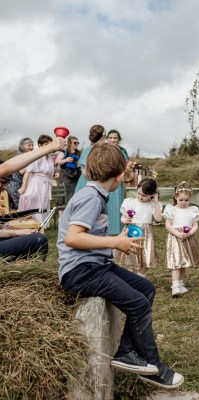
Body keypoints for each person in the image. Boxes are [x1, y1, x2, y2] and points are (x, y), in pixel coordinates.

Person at [57, 142, 184, 389]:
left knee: (147, 289)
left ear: (88, 171)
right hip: (81, 272)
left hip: (96, 265)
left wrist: (116, 240)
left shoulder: (94, 194)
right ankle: (153, 365)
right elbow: (73, 237)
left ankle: (127, 352)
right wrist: (115, 241)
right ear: (120, 177)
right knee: (138, 304)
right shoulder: (91, 197)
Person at [114, 178, 162, 277]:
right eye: (139, 193)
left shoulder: (153, 205)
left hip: (145, 234)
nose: (140, 197)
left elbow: (158, 219)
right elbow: (123, 217)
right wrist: (125, 220)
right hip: (131, 231)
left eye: (144, 195)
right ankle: (130, 275)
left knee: (146, 254)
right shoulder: (130, 202)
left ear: (152, 194)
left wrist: (156, 202)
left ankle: (140, 275)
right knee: (130, 254)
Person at [163, 181, 199, 297]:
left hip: (187, 238)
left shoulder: (193, 210)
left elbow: (195, 225)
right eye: (181, 200)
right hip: (176, 238)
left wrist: (190, 232)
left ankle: (181, 283)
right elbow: (168, 225)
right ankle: (175, 285)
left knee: (184, 262)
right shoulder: (171, 209)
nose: (183, 202)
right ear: (176, 197)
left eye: (186, 200)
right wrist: (177, 233)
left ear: (190, 198)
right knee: (176, 262)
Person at [17, 134, 55, 228]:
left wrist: (54, 175)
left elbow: (48, 173)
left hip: (45, 185)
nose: (48, 146)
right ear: (40, 145)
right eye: (45, 143)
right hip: (36, 183)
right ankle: (30, 225)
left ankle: (40, 227)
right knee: (33, 203)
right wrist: (24, 186)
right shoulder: (37, 155)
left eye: (50, 144)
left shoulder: (50, 157)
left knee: (43, 204)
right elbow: (28, 171)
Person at [106, 129, 129, 235]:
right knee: (108, 204)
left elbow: (126, 165)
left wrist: (128, 167)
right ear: (107, 139)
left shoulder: (123, 151)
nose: (112, 140)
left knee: (119, 204)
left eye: (115, 138)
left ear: (119, 140)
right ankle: (107, 229)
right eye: (110, 137)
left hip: (119, 180)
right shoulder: (104, 150)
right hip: (107, 180)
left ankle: (119, 229)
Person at [75, 124, 106, 192]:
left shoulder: (103, 150)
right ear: (103, 136)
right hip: (87, 186)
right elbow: (85, 172)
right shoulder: (88, 150)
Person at [6, 138, 34, 210]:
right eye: (29, 145)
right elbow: (21, 171)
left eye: (32, 145)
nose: (31, 147)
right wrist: (33, 167)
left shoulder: (26, 155)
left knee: (16, 209)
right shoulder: (20, 156)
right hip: (15, 186)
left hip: (17, 185)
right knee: (21, 209)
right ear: (22, 146)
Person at [55, 136, 82, 207]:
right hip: (65, 177)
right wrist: (66, 160)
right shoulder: (64, 152)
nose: (76, 144)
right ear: (69, 143)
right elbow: (57, 162)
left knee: (73, 196)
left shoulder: (79, 153)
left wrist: (79, 164)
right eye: (75, 143)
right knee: (62, 196)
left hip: (75, 177)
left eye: (77, 143)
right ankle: (61, 217)